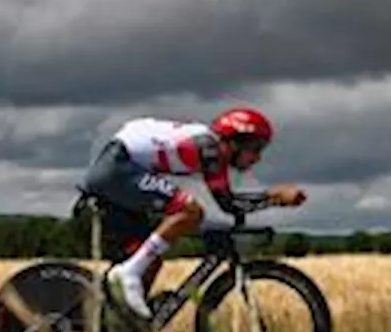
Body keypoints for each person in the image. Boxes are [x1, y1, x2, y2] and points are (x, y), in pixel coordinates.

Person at [80, 106, 307, 319]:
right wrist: (273, 198)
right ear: (235, 143)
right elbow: (228, 204)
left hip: (122, 167)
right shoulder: (209, 149)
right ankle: (126, 273)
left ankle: (121, 329)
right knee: (189, 210)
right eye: (255, 149)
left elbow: (228, 204)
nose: (257, 158)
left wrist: (270, 199)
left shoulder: (210, 148)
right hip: (116, 168)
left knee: (153, 260)